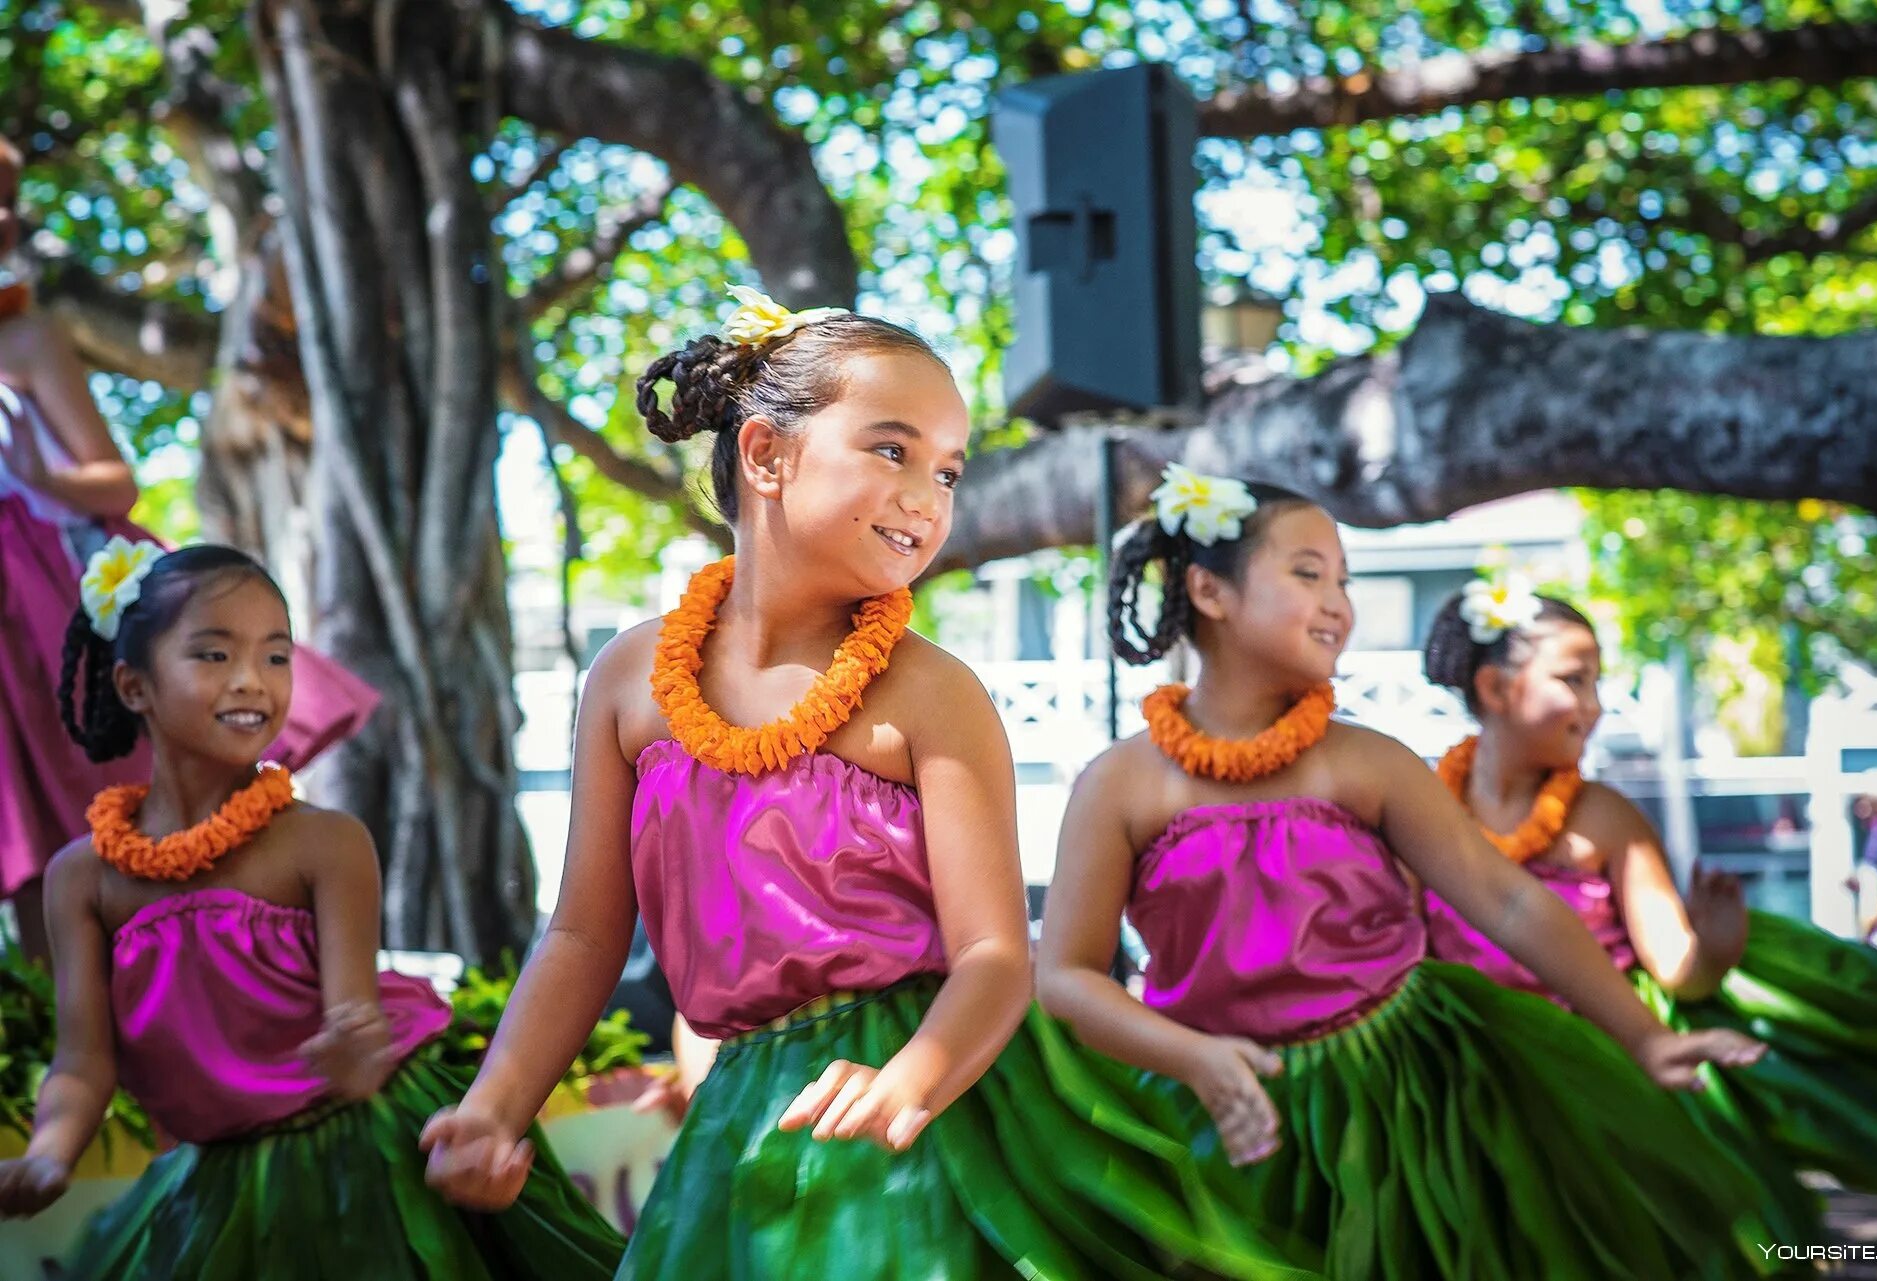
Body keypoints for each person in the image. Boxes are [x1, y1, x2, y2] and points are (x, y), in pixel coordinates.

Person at [421, 288, 1319, 1280]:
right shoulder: (630, 683)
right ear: (765, 455)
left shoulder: (933, 695)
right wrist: (495, 1106)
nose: (928, 496)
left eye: (947, 469)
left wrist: (913, 1084)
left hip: (924, 1097)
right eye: (892, 450)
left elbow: (993, 956)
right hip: (748, 1103)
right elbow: (585, 937)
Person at [1033, 467, 1774, 1280]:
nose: (1338, 602)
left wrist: (1646, 1037)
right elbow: (1066, 974)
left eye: (1344, 580)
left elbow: (1509, 901)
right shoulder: (1118, 784)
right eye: (1308, 573)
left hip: (1403, 1102)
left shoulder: (1370, 762)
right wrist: (1193, 1058)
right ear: (1210, 591)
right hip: (1216, 1099)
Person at [0, 541, 625, 1278]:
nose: (251, 682)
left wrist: (357, 1048)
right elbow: (83, 1061)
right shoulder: (85, 879)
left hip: (362, 1151)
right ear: (134, 686)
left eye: (275, 656)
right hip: (219, 1178)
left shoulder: (323, 844)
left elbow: (351, 1018)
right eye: (212, 655)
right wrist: (48, 1153)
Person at [1422, 576, 1877, 1222]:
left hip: (1602, 1080)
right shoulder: (1426, 808)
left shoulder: (1604, 816)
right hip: (1470, 1088)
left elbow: (1677, 971)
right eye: (1574, 679)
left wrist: (1713, 948)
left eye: (1597, 682)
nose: (1595, 705)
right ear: (1494, 688)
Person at [0, 138, 377, 959]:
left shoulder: (28, 341)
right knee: (12, 822)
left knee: (73, 797)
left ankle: (173, 979)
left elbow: (114, 482)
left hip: (34, 591)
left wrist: (38, 473)